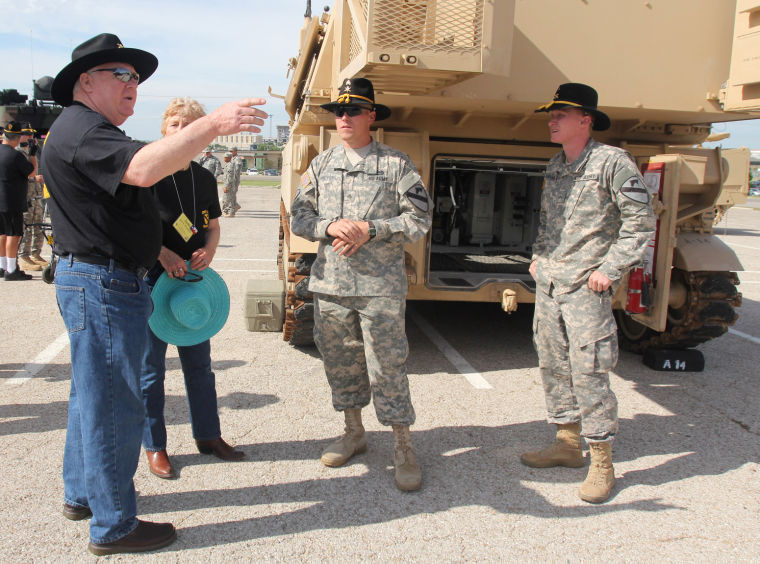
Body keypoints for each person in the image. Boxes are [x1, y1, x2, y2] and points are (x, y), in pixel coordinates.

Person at [40, 33, 266, 555]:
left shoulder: (82, 129)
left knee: (90, 398)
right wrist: (213, 125)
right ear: (86, 81)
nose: (132, 87)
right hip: (103, 281)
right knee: (115, 405)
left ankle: (83, 495)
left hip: (98, 278)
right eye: (121, 75)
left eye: (136, 79)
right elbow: (143, 168)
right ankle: (114, 525)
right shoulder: (84, 128)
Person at [290, 77, 432, 492]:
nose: (344, 117)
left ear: (371, 115)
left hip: (379, 286)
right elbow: (300, 218)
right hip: (331, 284)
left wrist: (371, 229)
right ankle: (354, 431)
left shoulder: (396, 165)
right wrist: (331, 225)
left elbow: (419, 220)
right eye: (339, 111)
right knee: (340, 361)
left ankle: (403, 445)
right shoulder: (321, 164)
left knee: (388, 365)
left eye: (353, 110)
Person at [523, 83, 655, 503]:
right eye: (552, 113)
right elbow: (549, 222)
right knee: (554, 365)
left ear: (586, 120)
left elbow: (640, 223)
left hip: (586, 287)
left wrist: (610, 270)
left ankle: (602, 461)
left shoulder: (612, 163)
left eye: (561, 114)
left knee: (589, 371)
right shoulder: (556, 165)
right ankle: (566, 444)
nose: (552, 119)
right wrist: (538, 257)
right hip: (551, 284)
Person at [141, 97, 243, 481]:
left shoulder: (201, 177)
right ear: (164, 130)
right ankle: (155, 446)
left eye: (190, 127)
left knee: (200, 367)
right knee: (151, 371)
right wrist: (163, 253)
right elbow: (133, 230)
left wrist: (209, 249)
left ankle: (208, 436)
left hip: (193, 285)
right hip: (154, 280)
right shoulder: (148, 173)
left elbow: (213, 225)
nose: (181, 133)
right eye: (174, 126)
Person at [0, 121, 35, 281]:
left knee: (2, 234)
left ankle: (2, 266)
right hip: (11, 200)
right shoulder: (15, 155)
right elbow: (31, 172)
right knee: (13, 235)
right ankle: (12, 269)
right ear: (17, 138)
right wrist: (33, 155)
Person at [17, 124, 47, 272]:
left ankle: (35, 254)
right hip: (26, 195)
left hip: (36, 195)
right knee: (26, 228)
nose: (30, 137)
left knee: (38, 225)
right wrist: (33, 179)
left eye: (31, 134)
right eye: (26, 134)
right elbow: (19, 176)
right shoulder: (17, 153)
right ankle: (24, 256)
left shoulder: (33, 152)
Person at [221, 151, 237, 216]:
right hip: (230, 184)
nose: (224, 159)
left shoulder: (230, 165)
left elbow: (230, 177)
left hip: (229, 185)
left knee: (226, 199)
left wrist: (226, 186)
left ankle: (225, 211)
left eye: (225, 157)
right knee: (231, 198)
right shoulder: (229, 164)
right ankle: (231, 212)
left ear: (228, 158)